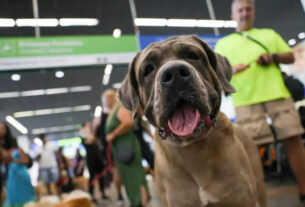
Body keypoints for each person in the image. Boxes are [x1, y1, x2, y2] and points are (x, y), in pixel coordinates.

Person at [215, 0, 305, 205]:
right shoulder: (223, 45)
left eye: (248, 9)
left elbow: (290, 57)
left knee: (294, 141)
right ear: (232, 16)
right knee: (250, 151)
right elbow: (219, 76)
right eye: (240, 10)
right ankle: (256, 197)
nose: (244, 13)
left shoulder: (269, 35)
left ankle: (304, 190)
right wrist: (231, 71)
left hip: (277, 95)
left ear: (253, 13)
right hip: (245, 101)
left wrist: (272, 57)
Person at [104, 89, 149, 207]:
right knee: (128, 177)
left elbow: (127, 123)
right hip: (120, 148)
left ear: (110, 99)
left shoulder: (120, 108)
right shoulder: (112, 112)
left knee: (135, 176)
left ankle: (141, 202)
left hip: (127, 146)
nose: (104, 103)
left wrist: (113, 134)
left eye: (104, 100)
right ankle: (137, 202)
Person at [0, 123, 35, 207]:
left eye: (2, 128)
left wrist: (13, 159)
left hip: (19, 174)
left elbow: (25, 159)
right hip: (9, 174)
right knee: (12, 196)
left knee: (24, 196)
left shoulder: (14, 144)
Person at [79, 121, 109, 202]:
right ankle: (91, 195)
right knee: (92, 176)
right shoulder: (83, 133)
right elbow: (89, 140)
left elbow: (95, 139)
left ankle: (102, 193)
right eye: (87, 125)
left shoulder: (94, 132)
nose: (89, 125)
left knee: (101, 175)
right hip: (90, 157)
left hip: (97, 156)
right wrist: (89, 131)